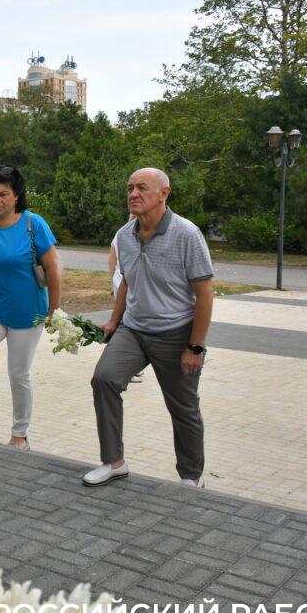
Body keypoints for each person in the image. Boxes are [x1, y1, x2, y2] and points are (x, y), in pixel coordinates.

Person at [84, 168, 214, 488]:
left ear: (164, 193)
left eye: (142, 187)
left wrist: (195, 346)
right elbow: (127, 281)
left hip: (176, 333)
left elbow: (204, 293)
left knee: (182, 407)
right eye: (130, 188)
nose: (133, 194)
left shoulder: (187, 234)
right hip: (134, 330)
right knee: (104, 379)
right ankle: (114, 462)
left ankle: (191, 477)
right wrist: (114, 320)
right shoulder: (124, 235)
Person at [0, 165, 61, 451]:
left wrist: (54, 309)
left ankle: (20, 434)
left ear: (16, 195)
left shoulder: (33, 224)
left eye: (3, 194)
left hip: (27, 312)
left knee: (18, 374)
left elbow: (52, 269)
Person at [108, 225, 143, 384]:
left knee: (125, 323)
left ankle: (129, 367)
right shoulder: (124, 234)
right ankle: (126, 370)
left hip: (120, 282)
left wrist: (111, 282)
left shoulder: (120, 233)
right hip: (126, 284)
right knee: (127, 325)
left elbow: (111, 262)